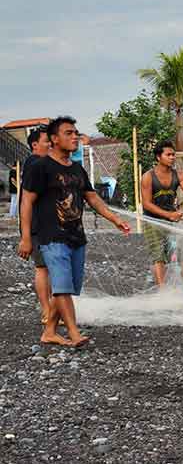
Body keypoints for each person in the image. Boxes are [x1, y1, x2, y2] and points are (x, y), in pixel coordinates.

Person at [18, 116, 131, 347]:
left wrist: (114, 218)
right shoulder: (40, 166)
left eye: (76, 133)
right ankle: (73, 333)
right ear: (54, 138)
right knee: (61, 287)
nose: (75, 137)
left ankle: (49, 331)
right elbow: (26, 201)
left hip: (76, 236)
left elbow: (92, 197)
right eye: (69, 133)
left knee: (69, 287)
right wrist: (26, 237)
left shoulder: (78, 168)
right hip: (51, 237)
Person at [140, 140, 183, 287]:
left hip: (171, 222)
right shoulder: (148, 177)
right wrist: (168, 214)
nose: (172, 157)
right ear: (158, 157)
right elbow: (146, 204)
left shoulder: (179, 175)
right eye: (168, 155)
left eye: (173, 155)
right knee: (158, 256)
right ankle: (163, 291)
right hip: (152, 221)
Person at [19, 127, 53, 327]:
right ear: (35, 145)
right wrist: (25, 237)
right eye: (47, 141)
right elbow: (26, 201)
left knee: (50, 267)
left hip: (47, 225)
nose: (50, 144)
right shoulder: (35, 163)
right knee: (42, 267)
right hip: (36, 227)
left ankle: (53, 309)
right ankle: (46, 310)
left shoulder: (43, 164)